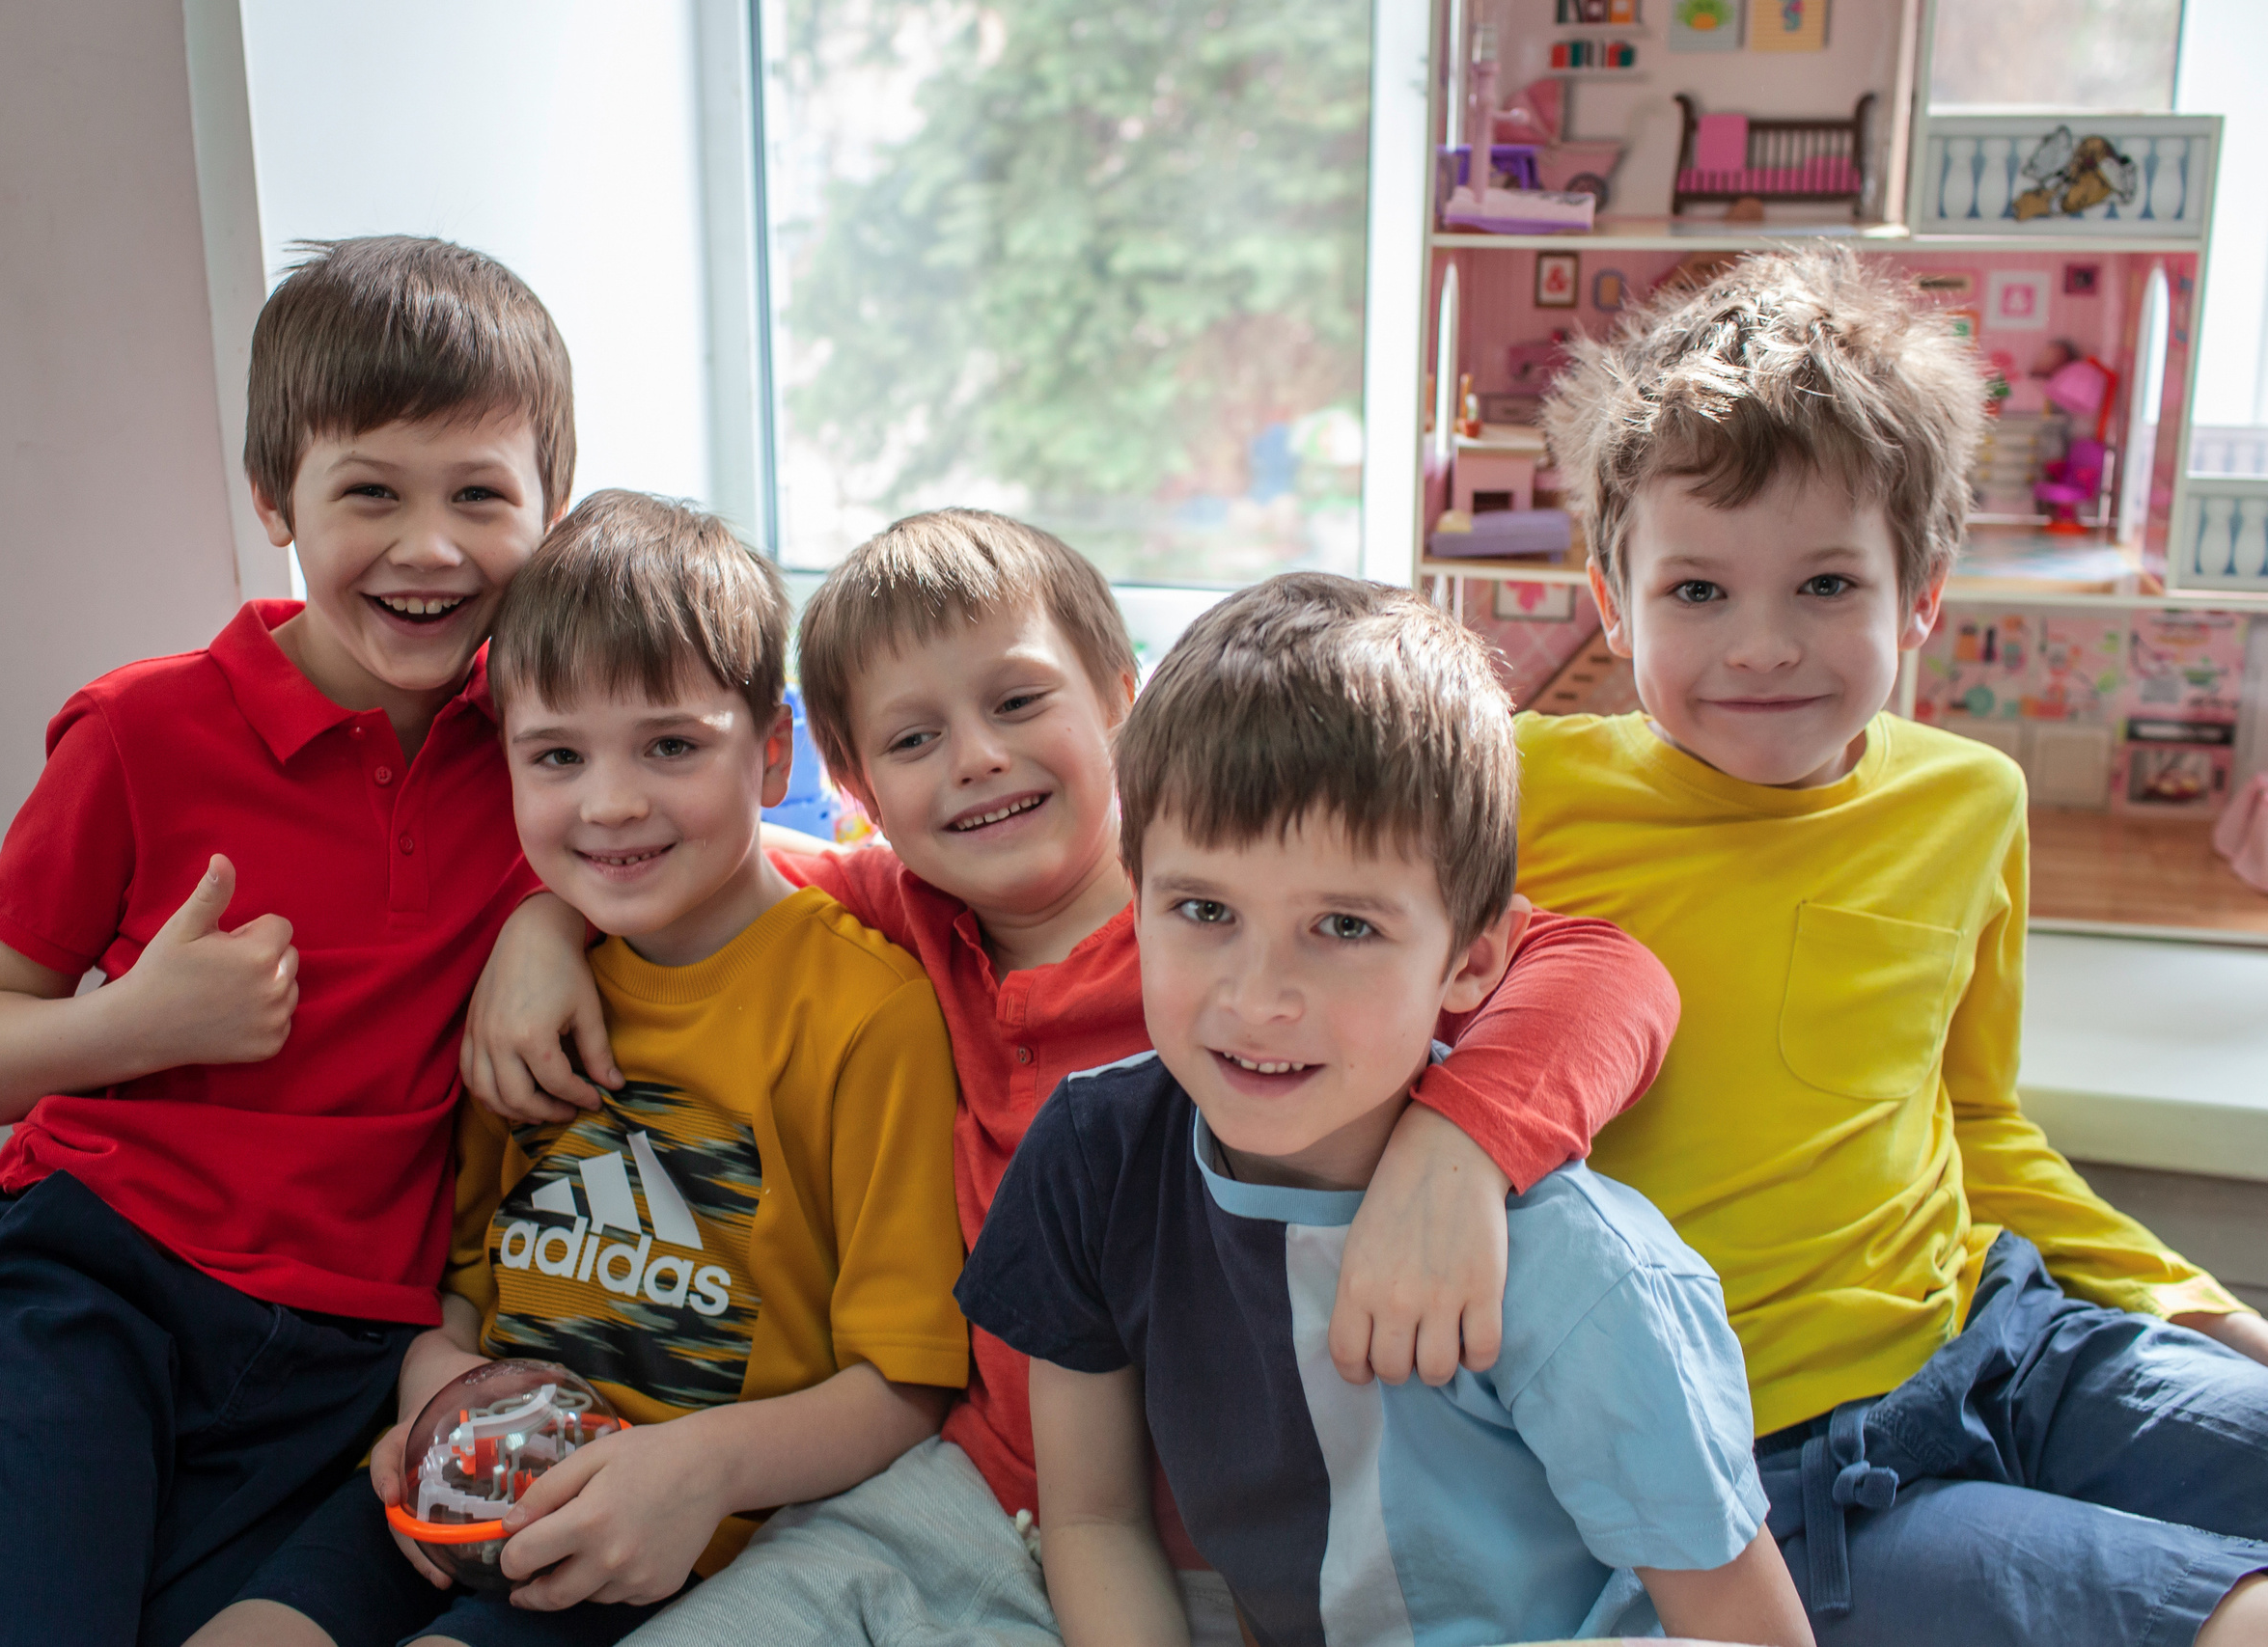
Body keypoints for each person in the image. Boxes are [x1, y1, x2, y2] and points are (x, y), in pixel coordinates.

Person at [471, 510, 1684, 1643]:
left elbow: (1603, 967)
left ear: (1120, 697)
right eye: (912, 740)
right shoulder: (899, 912)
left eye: (1015, 700)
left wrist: (1461, 1141)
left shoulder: (1249, 919)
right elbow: (698, 858)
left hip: (1248, 1535)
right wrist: (542, 927)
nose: (978, 761)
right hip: (979, 1483)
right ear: (857, 788)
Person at [1528, 243, 2268, 1645]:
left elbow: (1977, 1121)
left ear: (1920, 592)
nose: (1760, 646)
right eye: (1697, 591)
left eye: (1824, 584)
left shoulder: (1969, 801)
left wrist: (2208, 1308)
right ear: (1611, 595)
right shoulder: (1511, 791)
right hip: (1778, 1468)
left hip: (2013, 1340)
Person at [0, 235, 576, 1647]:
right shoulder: (144, 730)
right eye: (369, 490)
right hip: (87, 1278)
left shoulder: (554, 742)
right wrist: (141, 1019)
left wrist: (551, 915)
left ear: (552, 509)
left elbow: (718, 840)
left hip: (344, 1350)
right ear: (277, 498)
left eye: (480, 495)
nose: (429, 547)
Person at [956, 571, 1810, 1647]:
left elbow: (1750, 1634)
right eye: (1204, 909)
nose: (1258, 997)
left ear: (1472, 960)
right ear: (1138, 901)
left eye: (1345, 927)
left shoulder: (1576, 1273)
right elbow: (1088, 1514)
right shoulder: (1094, 1157)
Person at [190, 491, 969, 1647]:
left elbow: (902, 1384)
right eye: (557, 755)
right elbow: (463, 1280)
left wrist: (696, 1470)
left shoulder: (866, 1015)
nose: (610, 803)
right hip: (461, 1478)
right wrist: (432, 1388)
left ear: (770, 756)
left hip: (666, 1538)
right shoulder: (526, 989)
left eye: (670, 746)